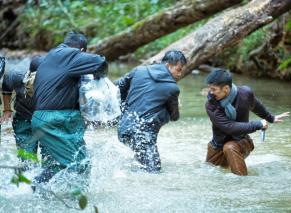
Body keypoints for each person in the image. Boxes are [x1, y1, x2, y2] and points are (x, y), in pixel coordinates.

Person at [31, 32, 107, 184]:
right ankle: (76, 204)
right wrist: (99, 77)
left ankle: (37, 192)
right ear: (81, 51)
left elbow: (34, 62)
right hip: (54, 120)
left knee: (55, 165)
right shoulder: (70, 54)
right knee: (81, 165)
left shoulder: (51, 57)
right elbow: (100, 62)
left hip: (45, 119)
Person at [205, 68, 289, 176]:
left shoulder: (245, 93)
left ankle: (242, 184)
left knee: (230, 147)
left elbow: (256, 106)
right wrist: (258, 124)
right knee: (208, 173)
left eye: (213, 89)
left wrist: (270, 118)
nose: (210, 93)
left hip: (242, 141)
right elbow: (229, 127)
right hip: (217, 145)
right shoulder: (211, 104)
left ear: (226, 88)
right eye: (209, 89)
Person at [116, 50, 187, 172]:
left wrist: (124, 108)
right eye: (179, 69)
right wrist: (177, 106)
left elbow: (117, 87)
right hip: (144, 134)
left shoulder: (139, 70)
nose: (180, 74)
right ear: (168, 65)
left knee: (139, 164)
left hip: (124, 127)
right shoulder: (172, 88)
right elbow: (175, 117)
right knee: (153, 171)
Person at [1, 56, 44, 166]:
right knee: (27, 160)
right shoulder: (16, 75)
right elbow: (6, 86)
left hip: (46, 119)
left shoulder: (55, 81)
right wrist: (6, 109)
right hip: (23, 117)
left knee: (51, 158)